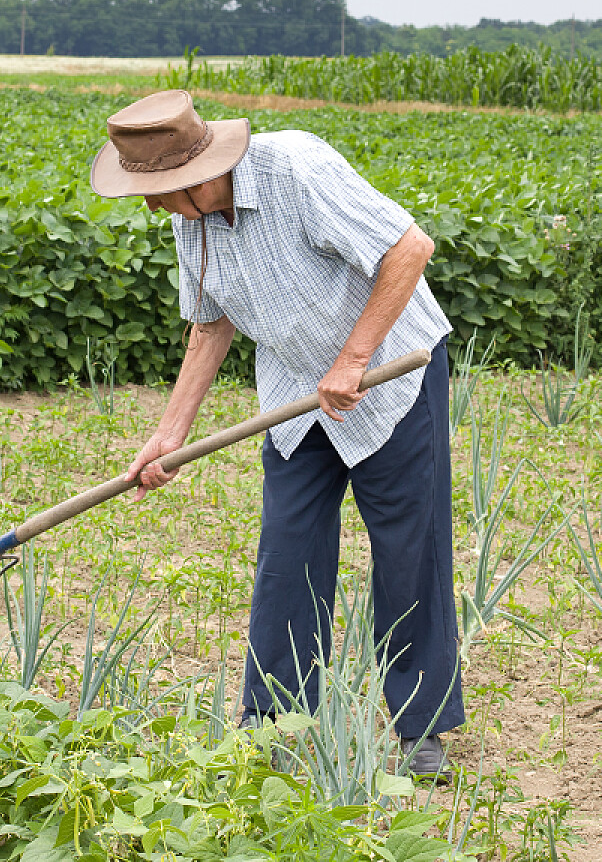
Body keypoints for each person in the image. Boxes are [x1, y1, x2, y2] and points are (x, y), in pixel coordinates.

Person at [93, 90, 461, 776]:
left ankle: (422, 727)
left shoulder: (296, 169)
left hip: (389, 375)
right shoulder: (190, 219)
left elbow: (410, 248)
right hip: (296, 392)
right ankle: (273, 720)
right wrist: (169, 432)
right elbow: (210, 323)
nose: (152, 207)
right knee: (287, 551)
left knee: (409, 548)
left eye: (160, 190)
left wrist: (354, 358)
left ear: (201, 171)